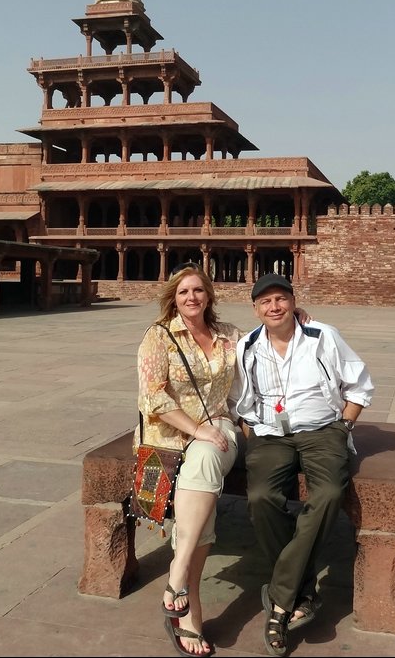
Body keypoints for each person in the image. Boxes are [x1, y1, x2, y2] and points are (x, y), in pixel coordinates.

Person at [229, 273, 374, 657]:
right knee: (261, 497)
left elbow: (360, 384)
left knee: (327, 493)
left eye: (280, 299)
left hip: (322, 430)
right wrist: (252, 434)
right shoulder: (247, 346)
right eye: (265, 302)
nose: (274, 307)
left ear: (293, 301)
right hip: (269, 435)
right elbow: (240, 401)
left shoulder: (322, 335)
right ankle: (302, 590)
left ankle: (279, 600)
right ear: (255, 309)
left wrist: (343, 424)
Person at [136, 262, 242, 657]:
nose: (191, 298)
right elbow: (153, 397)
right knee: (204, 469)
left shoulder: (230, 335)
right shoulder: (158, 336)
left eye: (198, 290)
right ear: (173, 298)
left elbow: (267, 344)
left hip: (219, 428)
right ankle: (188, 604)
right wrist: (197, 429)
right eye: (183, 292)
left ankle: (178, 575)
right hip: (170, 436)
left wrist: (296, 316)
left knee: (210, 453)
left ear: (209, 295)